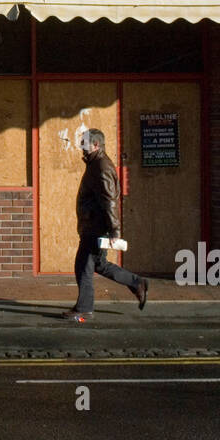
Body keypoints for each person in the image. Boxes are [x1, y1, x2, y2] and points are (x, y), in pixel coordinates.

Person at [61, 128, 149, 322]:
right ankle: (137, 283)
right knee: (99, 264)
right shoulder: (95, 164)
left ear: (96, 145)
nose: (81, 147)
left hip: (96, 225)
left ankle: (84, 308)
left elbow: (109, 201)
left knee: (83, 265)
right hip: (94, 223)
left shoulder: (101, 166)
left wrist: (115, 229)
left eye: (84, 143)